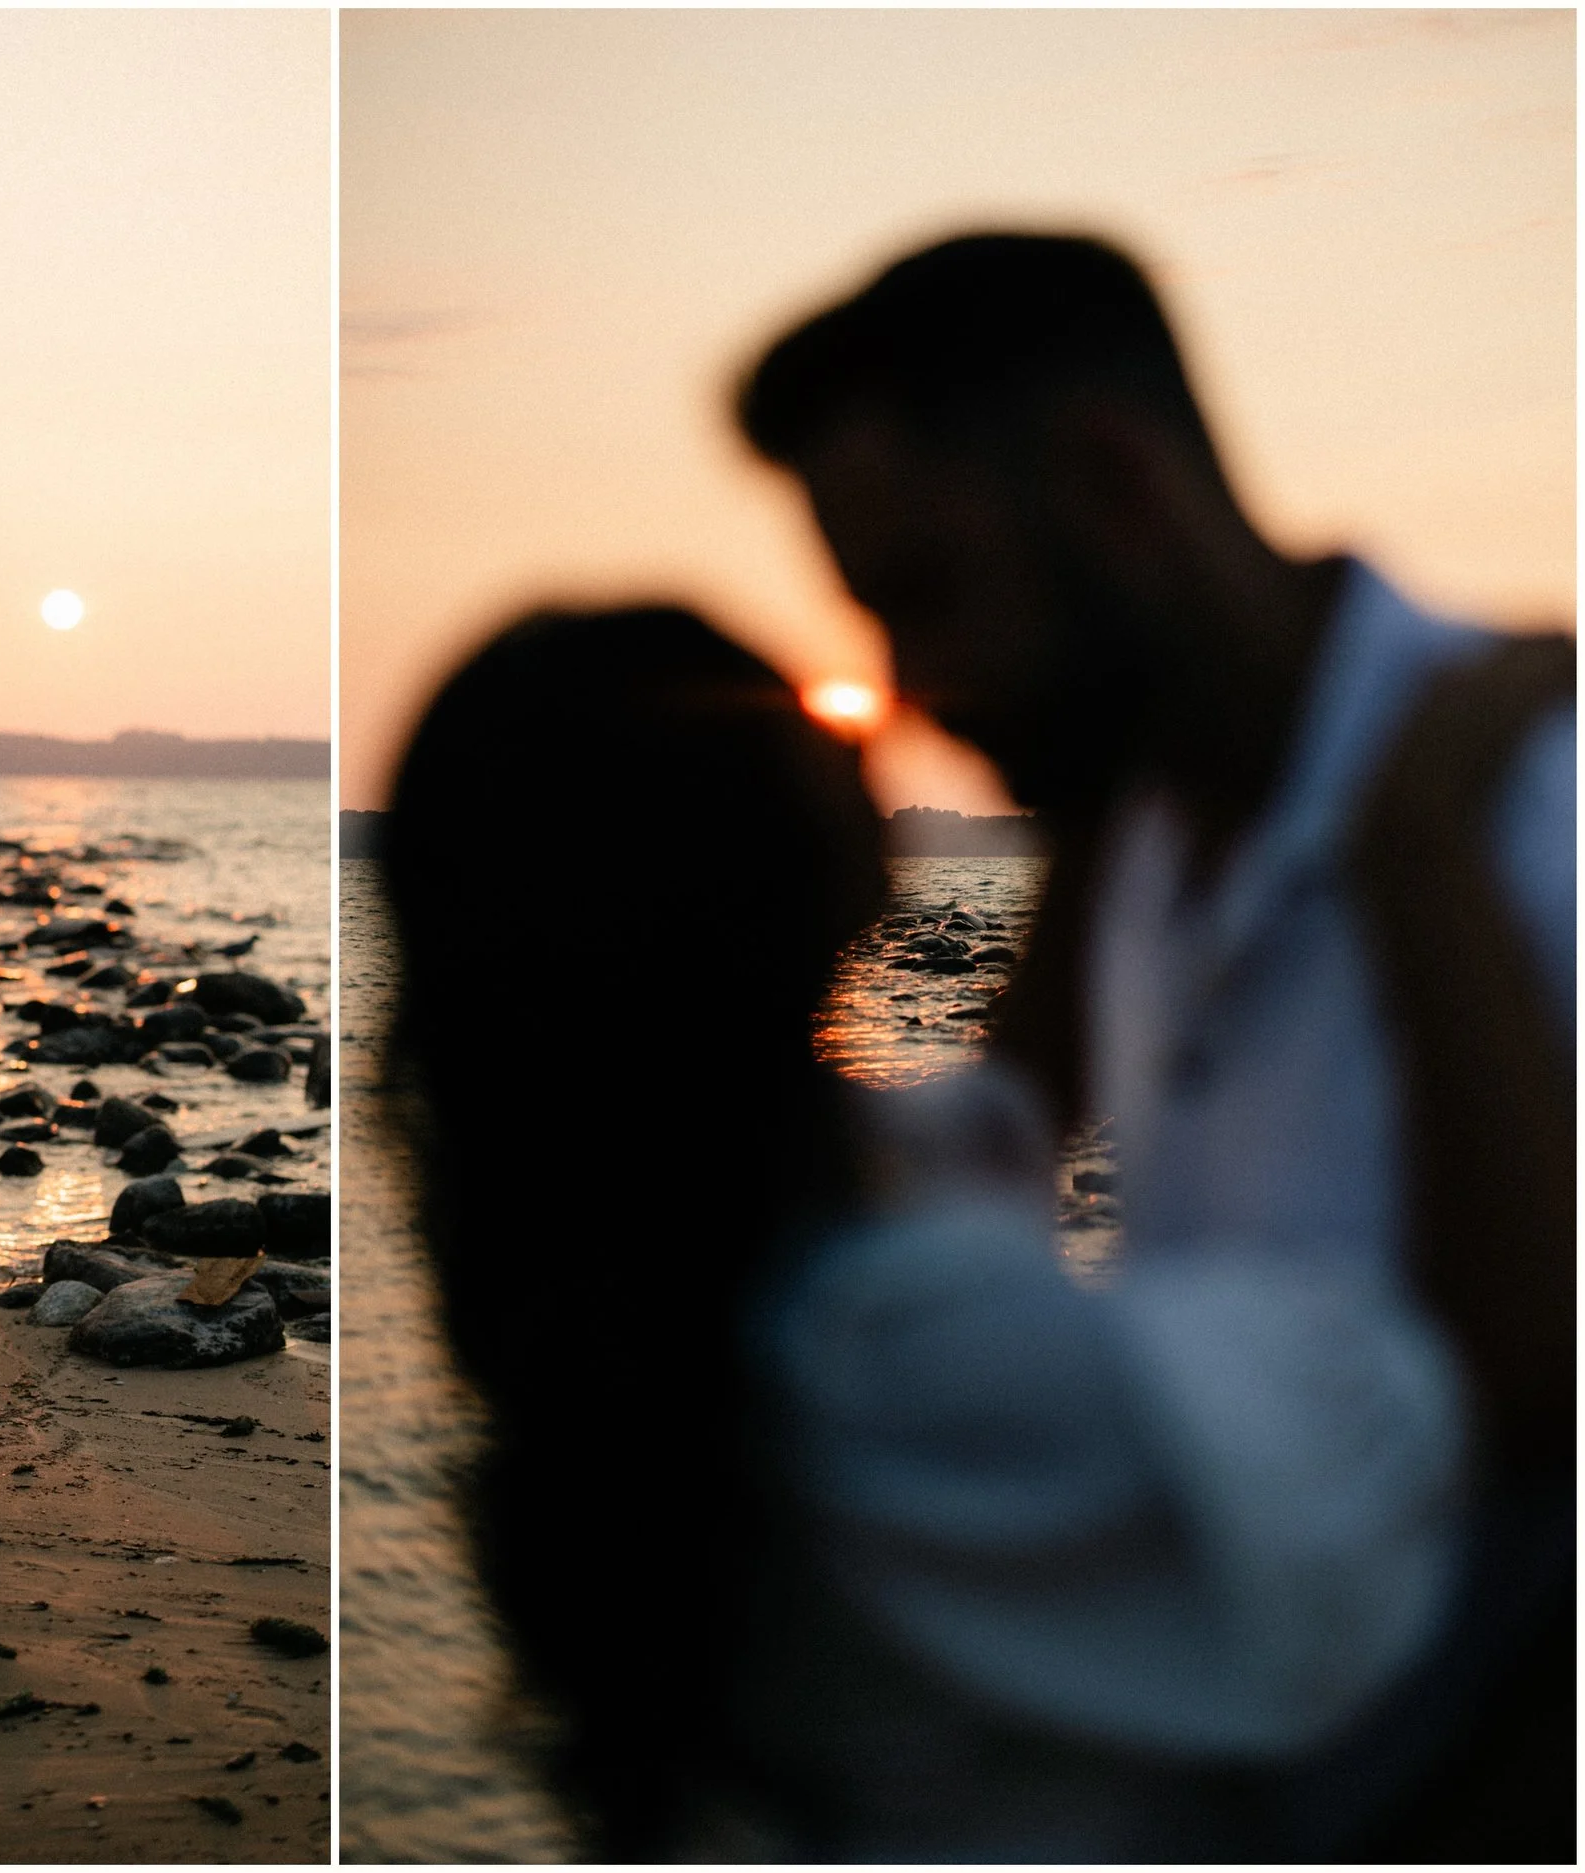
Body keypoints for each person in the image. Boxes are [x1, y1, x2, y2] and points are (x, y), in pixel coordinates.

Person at [735, 231, 1573, 1859]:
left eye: (932, 592)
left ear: (1116, 484)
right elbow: (1000, 1148)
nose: (907, 684)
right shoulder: (1136, 841)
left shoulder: (1536, 836)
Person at [380, 606, 1467, 1860]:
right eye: (804, 733)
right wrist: (1424, 832)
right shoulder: (890, 1349)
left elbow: (1005, 1111)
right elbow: (1431, 1414)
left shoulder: (657, 1260)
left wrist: (1086, 788)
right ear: (742, 862)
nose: (863, 742)